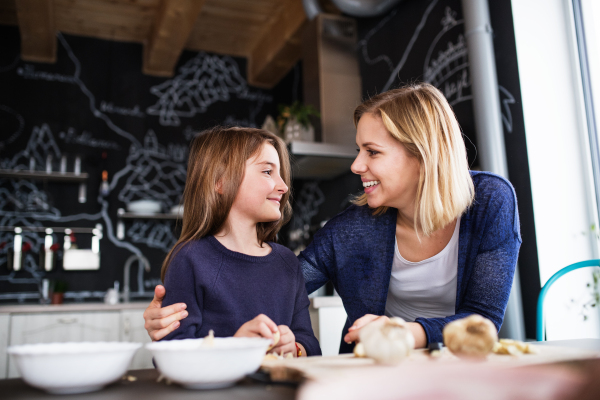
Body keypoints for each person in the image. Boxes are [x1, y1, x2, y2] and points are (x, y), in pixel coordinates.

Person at [143, 83, 521, 354]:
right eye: (359, 150)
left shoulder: (490, 201)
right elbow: (274, 282)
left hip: (462, 367)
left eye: (372, 151)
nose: (356, 165)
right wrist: (175, 321)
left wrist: (409, 332)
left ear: (421, 155)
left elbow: (483, 320)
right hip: (374, 373)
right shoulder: (350, 231)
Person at [154, 126, 320, 357]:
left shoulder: (287, 262)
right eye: (267, 172)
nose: (283, 186)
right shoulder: (189, 259)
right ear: (219, 182)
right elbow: (168, 355)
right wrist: (234, 348)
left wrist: (295, 347)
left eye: (281, 174)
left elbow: (309, 343)